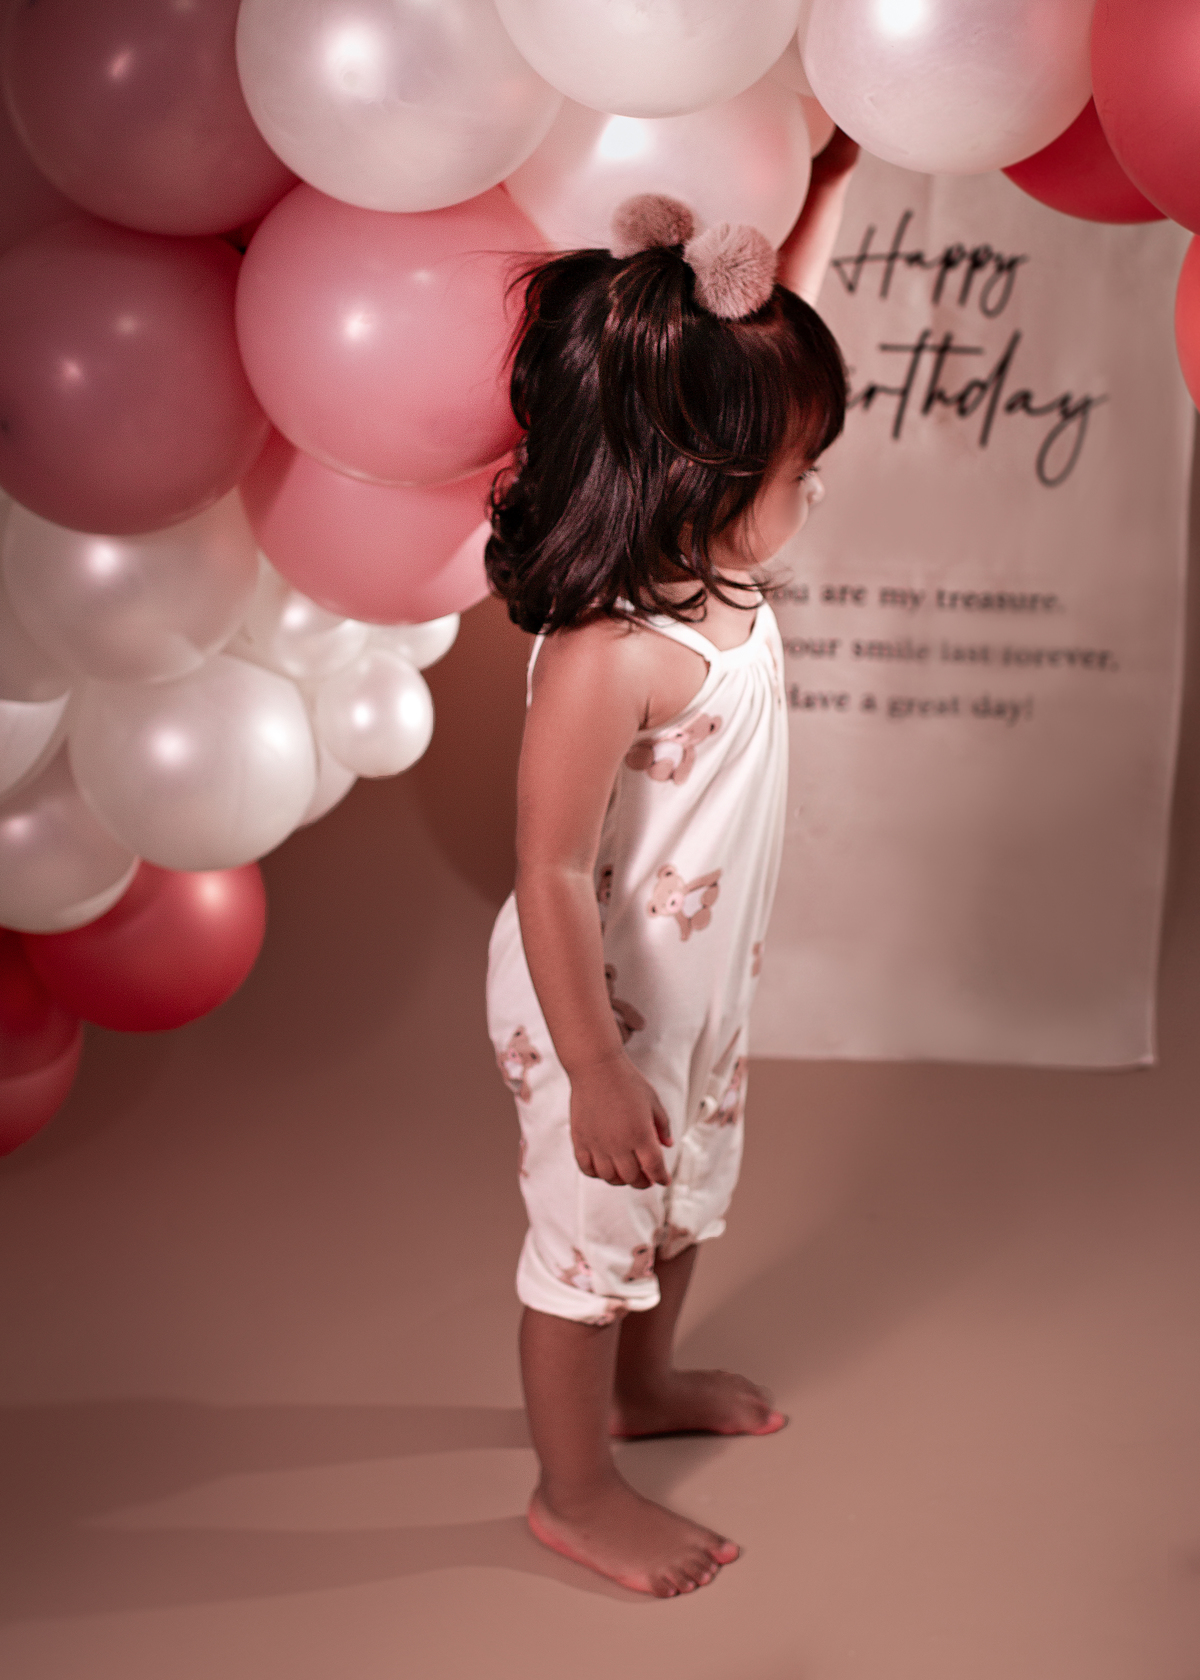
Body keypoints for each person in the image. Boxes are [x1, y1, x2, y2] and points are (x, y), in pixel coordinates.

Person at [484, 135, 859, 1599]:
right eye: (797, 470)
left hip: (697, 988)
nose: (811, 491)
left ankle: (643, 1388)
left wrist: (826, 192)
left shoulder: (723, 563)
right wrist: (590, 1067)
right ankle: (573, 1490)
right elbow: (546, 868)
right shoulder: (611, 653)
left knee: (689, 1185)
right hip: (595, 1002)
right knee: (591, 1241)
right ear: (696, 473)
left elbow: (748, 374)